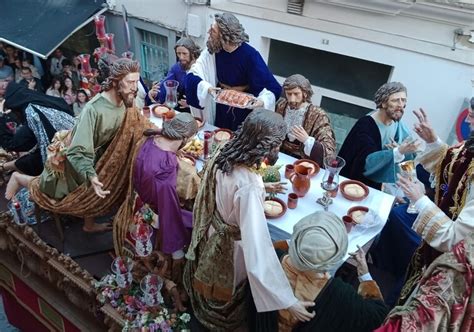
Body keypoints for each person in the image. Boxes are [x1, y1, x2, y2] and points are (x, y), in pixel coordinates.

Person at [184, 108, 314, 331]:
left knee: (209, 281)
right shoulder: (249, 185)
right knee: (229, 289)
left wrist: (263, 186)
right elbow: (257, 246)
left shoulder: (224, 149)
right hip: (231, 246)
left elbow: (220, 185)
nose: (277, 149)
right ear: (265, 145)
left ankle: (203, 306)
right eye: (276, 144)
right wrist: (287, 301)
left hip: (212, 230)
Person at [5, 58, 143, 233]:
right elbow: (78, 151)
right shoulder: (93, 110)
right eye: (131, 82)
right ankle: (19, 178)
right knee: (57, 193)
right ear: (116, 82)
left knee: (93, 188)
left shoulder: (126, 98)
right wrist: (91, 175)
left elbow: (136, 119)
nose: (135, 86)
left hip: (100, 156)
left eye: (136, 81)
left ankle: (88, 224)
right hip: (74, 161)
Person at [395, 104, 473, 306]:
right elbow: (456, 169)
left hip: (449, 269)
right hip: (430, 250)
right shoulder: (470, 145)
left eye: (472, 116)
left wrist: (420, 200)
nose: (466, 121)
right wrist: (433, 142)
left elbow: (456, 239)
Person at [115, 113, 198, 282]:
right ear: (184, 138)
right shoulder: (166, 168)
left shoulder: (150, 140)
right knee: (194, 221)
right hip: (155, 214)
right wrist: (177, 252)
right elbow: (169, 211)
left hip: (137, 202)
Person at [273, 211, 388, 332]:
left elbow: (266, 248)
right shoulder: (340, 295)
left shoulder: (269, 258)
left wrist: (298, 243)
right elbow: (378, 317)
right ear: (336, 257)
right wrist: (365, 275)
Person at [185, 13, 281, 130]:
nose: (209, 33)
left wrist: (261, 101)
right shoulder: (213, 50)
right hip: (220, 104)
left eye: (213, 31)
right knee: (218, 134)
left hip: (241, 108)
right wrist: (208, 88)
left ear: (224, 35)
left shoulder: (250, 55)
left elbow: (273, 87)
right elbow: (193, 74)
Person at [338, 82, 419, 190]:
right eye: (395, 100)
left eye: (403, 100)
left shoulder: (397, 123)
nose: (400, 104)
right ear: (383, 103)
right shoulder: (365, 126)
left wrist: (411, 182)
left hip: (384, 183)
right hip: (357, 186)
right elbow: (367, 164)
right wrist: (397, 152)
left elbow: (408, 152)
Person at [0, 82, 75, 176]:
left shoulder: (31, 112)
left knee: (30, 161)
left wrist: (1, 116)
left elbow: (15, 144)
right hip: (77, 140)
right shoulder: (43, 100)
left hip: (65, 159)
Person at [275, 74, 336, 165]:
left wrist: (307, 140)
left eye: (296, 94)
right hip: (279, 156)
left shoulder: (318, 115)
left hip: (303, 162)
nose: (292, 99)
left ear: (305, 93)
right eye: (289, 94)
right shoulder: (281, 106)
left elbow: (329, 150)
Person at [148, 37, 201, 113]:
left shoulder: (201, 68)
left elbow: (206, 93)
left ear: (192, 53)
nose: (181, 57)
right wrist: (154, 93)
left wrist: (192, 104)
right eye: (178, 54)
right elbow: (167, 84)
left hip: (199, 111)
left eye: (184, 54)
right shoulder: (176, 68)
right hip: (181, 110)